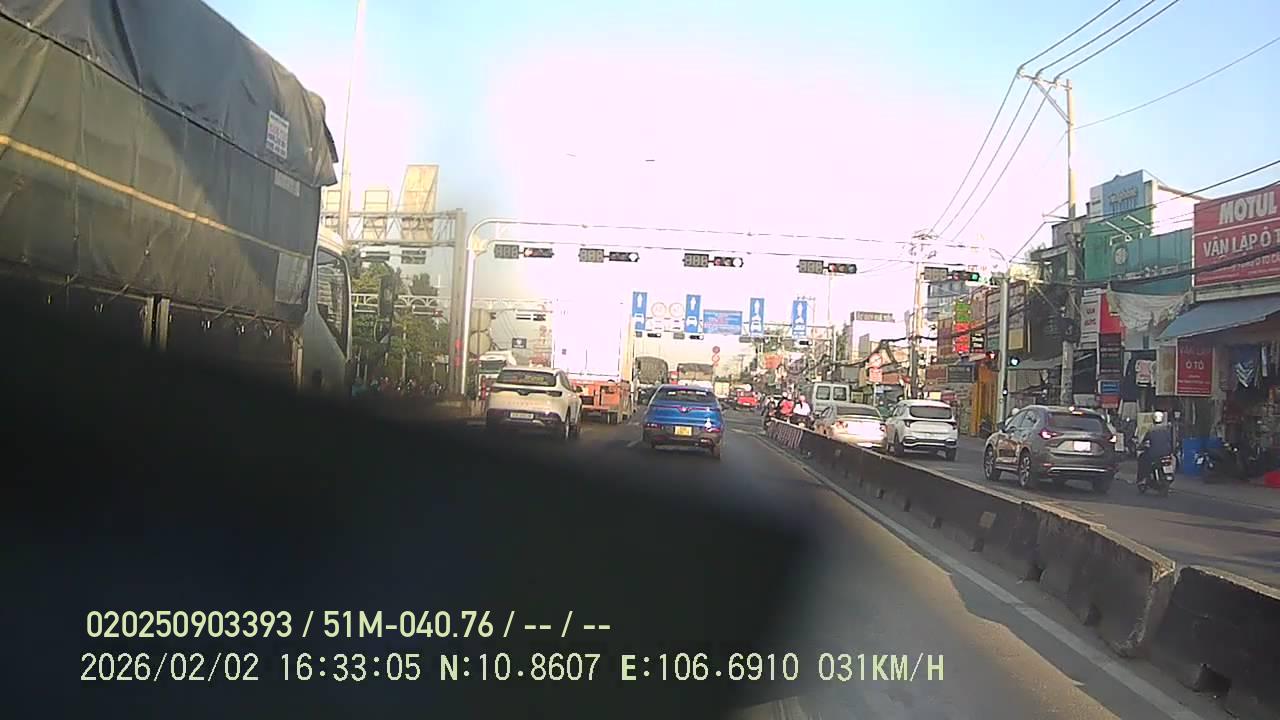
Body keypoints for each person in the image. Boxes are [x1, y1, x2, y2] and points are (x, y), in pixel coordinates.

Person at [1139, 411, 1175, 484]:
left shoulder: (1151, 430)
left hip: (1154, 454)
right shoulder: (1167, 429)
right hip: (1167, 453)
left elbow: (1144, 441)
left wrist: (1140, 446)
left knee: (1143, 459)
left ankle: (1144, 478)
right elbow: (1172, 441)